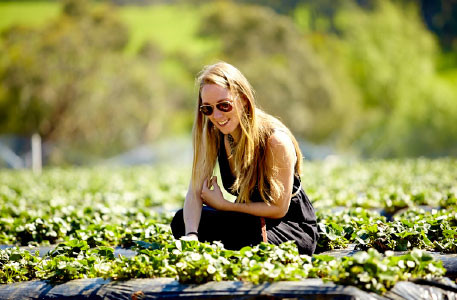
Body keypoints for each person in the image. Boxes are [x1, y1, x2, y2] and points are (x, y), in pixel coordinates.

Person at [171, 62, 319, 255]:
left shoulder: (275, 140)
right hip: (248, 220)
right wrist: (191, 234)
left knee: (247, 233)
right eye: (208, 109)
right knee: (182, 220)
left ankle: (233, 244)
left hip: (290, 226)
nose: (216, 115)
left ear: (242, 99)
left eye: (224, 105)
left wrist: (225, 205)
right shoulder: (213, 133)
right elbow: (194, 191)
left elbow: (279, 209)